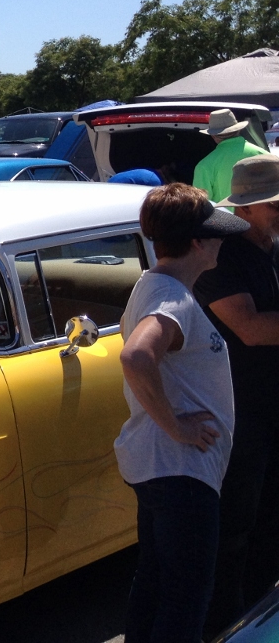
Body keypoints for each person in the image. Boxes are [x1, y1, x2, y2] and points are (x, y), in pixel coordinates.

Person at [114, 183, 246, 643]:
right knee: (186, 597)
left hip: (163, 468)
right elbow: (136, 356)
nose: (222, 241)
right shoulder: (171, 297)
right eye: (216, 233)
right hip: (180, 472)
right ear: (197, 242)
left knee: (155, 585)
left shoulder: (154, 285)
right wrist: (178, 427)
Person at [195, 155, 279, 636]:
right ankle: (226, 626)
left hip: (270, 409)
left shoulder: (271, 246)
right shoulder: (223, 257)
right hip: (238, 414)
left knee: (270, 521)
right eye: (275, 205)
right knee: (235, 530)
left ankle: (260, 618)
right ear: (246, 209)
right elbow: (250, 328)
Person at [194, 109, 267, 202]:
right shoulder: (264, 156)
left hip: (223, 212)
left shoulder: (204, 166)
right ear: (238, 130)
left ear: (213, 135)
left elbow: (202, 204)